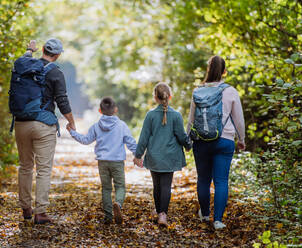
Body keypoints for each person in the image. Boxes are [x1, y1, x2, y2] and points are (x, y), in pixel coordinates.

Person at [15, 39, 76, 224]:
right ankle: (40, 212)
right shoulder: (56, 72)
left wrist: (28, 50)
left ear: (42, 50)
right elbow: (62, 100)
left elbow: (21, 61)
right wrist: (71, 122)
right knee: (43, 169)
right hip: (43, 125)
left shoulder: (25, 66)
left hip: (21, 123)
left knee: (25, 166)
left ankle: (26, 208)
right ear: (57, 55)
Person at [187, 55, 245, 230]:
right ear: (224, 71)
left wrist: (188, 138)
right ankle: (218, 220)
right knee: (221, 181)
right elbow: (239, 119)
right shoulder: (231, 91)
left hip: (201, 141)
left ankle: (205, 214)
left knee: (203, 179)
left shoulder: (197, 91)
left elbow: (191, 120)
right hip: (224, 140)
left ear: (208, 70)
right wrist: (241, 139)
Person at [66, 97, 137, 224]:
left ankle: (108, 217)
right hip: (117, 162)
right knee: (120, 186)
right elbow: (131, 143)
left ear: (100, 110)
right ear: (116, 110)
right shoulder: (122, 126)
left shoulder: (96, 127)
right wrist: (138, 155)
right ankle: (118, 204)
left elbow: (85, 140)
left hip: (102, 162)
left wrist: (73, 132)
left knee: (106, 189)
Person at [134, 83, 192, 227]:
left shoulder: (150, 115)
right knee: (166, 185)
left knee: (157, 185)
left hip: (154, 156)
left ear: (155, 98)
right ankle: (162, 215)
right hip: (170, 157)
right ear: (170, 97)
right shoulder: (176, 115)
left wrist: (138, 155)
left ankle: (159, 211)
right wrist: (188, 145)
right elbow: (181, 135)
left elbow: (144, 137)